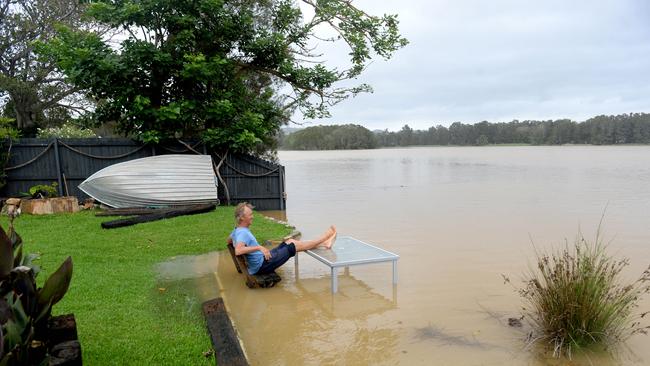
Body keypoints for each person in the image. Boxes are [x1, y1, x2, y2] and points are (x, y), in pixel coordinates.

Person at [230, 202, 336, 275]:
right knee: (293, 245)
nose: (252, 216)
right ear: (242, 217)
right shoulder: (242, 233)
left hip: (264, 260)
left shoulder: (237, 230)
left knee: (290, 241)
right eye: (250, 214)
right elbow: (238, 251)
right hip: (263, 265)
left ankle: (324, 244)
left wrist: (236, 241)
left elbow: (229, 241)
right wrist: (259, 248)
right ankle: (324, 237)